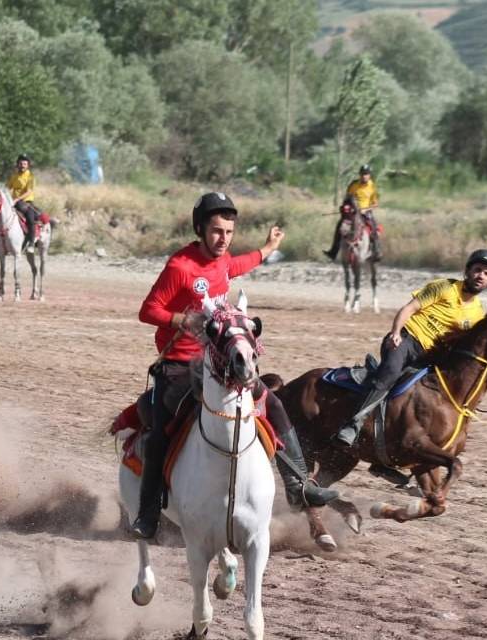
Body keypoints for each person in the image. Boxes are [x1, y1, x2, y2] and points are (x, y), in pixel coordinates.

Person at [131, 192, 340, 539]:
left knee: (271, 403)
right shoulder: (179, 266)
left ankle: (298, 485)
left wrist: (269, 247)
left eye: (228, 232)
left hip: (218, 360)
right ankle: (148, 511)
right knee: (161, 432)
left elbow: (242, 263)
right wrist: (182, 319)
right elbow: (148, 310)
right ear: (200, 229)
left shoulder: (225, 260)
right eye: (216, 231)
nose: (223, 238)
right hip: (180, 365)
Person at [335, 249, 487, 482]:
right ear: (467, 271)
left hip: (430, 355)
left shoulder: (476, 313)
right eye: (477, 270)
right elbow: (409, 309)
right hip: (406, 341)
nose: (480, 275)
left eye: (486, 273)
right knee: (388, 376)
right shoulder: (444, 287)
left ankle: (386, 459)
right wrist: (395, 333)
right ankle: (353, 424)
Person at [324, 164, 382, 262]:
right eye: (362, 174)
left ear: (369, 175)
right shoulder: (354, 184)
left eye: (366, 174)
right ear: (360, 175)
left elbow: (375, 204)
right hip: (353, 212)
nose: (364, 176)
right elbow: (347, 198)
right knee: (340, 226)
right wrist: (346, 207)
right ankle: (333, 251)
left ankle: (376, 252)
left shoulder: (372, 187)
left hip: (365, 212)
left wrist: (365, 209)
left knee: (374, 227)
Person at [7, 154, 44, 253]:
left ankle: (31, 243)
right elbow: (7, 188)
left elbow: (29, 191)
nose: (22, 165)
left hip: (26, 202)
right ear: (17, 164)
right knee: (0, 216)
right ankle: (0, 244)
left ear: (28, 165)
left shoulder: (30, 177)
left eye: (24, 163)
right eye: (20, 163)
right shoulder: (14, 176)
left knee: (30, 218)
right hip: (14, 202)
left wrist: (17, 199)